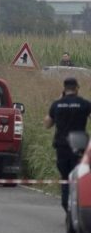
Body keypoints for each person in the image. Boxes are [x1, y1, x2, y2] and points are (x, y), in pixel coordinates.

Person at [44, 77, 91, 212]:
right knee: (79, 177)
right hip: (79, 145)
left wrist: (60, 99)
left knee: (65, 177)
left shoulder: (57, 104)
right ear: (77, 88)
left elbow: (47, 124)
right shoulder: (84, 104)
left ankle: (66, 204)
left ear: (64, 89)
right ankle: (79, 206)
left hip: (62, 146)